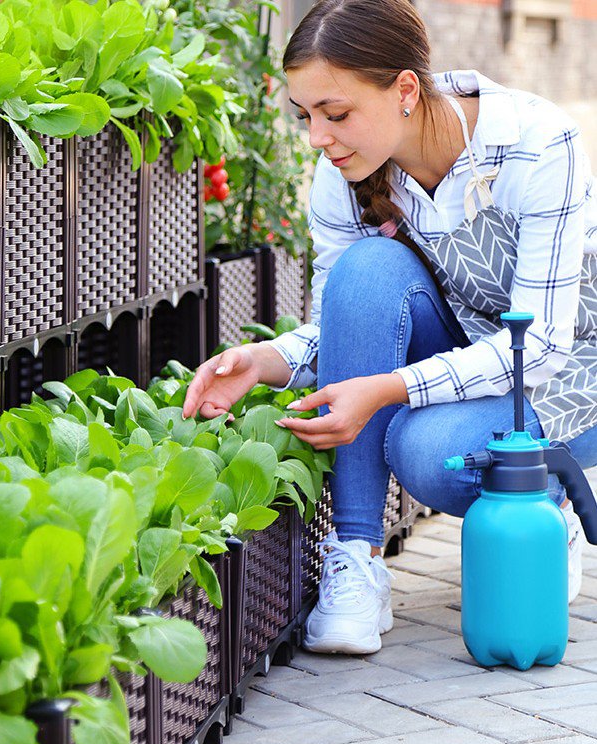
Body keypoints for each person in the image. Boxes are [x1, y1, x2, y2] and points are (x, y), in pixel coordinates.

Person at [182, 0, 597, 655]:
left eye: (336, 113)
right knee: (367, 267)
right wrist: (269, 360)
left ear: (406, 89)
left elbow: (543, 344)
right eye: (307, 115)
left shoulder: (536, 144)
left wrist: (392, 388)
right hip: (470, 359)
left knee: (428, 453)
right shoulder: (343, 174)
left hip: (570, 371)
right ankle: (355, 557)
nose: (317, 136)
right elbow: (349, 325)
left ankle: (543, 498)